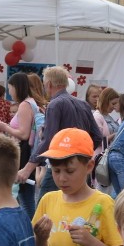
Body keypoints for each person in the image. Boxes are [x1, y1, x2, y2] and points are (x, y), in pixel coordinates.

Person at [16, 66, 102, 204]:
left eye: (44, 85)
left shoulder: (55, 105)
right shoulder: (83, 104)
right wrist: (82, 155)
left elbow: (48, 140)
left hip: (59, 166)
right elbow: (97, 136)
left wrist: (27, 169)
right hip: (80, 168)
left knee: (45, 212)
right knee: (76, 207)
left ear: (49, 84)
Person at [0, 73, 39, 218]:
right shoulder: (31, 102)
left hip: (24, 151)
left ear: (17, 87)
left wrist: (5, 127)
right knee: (24, 196)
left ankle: (30, 229)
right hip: (26, 150)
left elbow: (23, 134)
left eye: (10, 88)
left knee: (24, 197)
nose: (10, 92)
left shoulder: (24, 105)